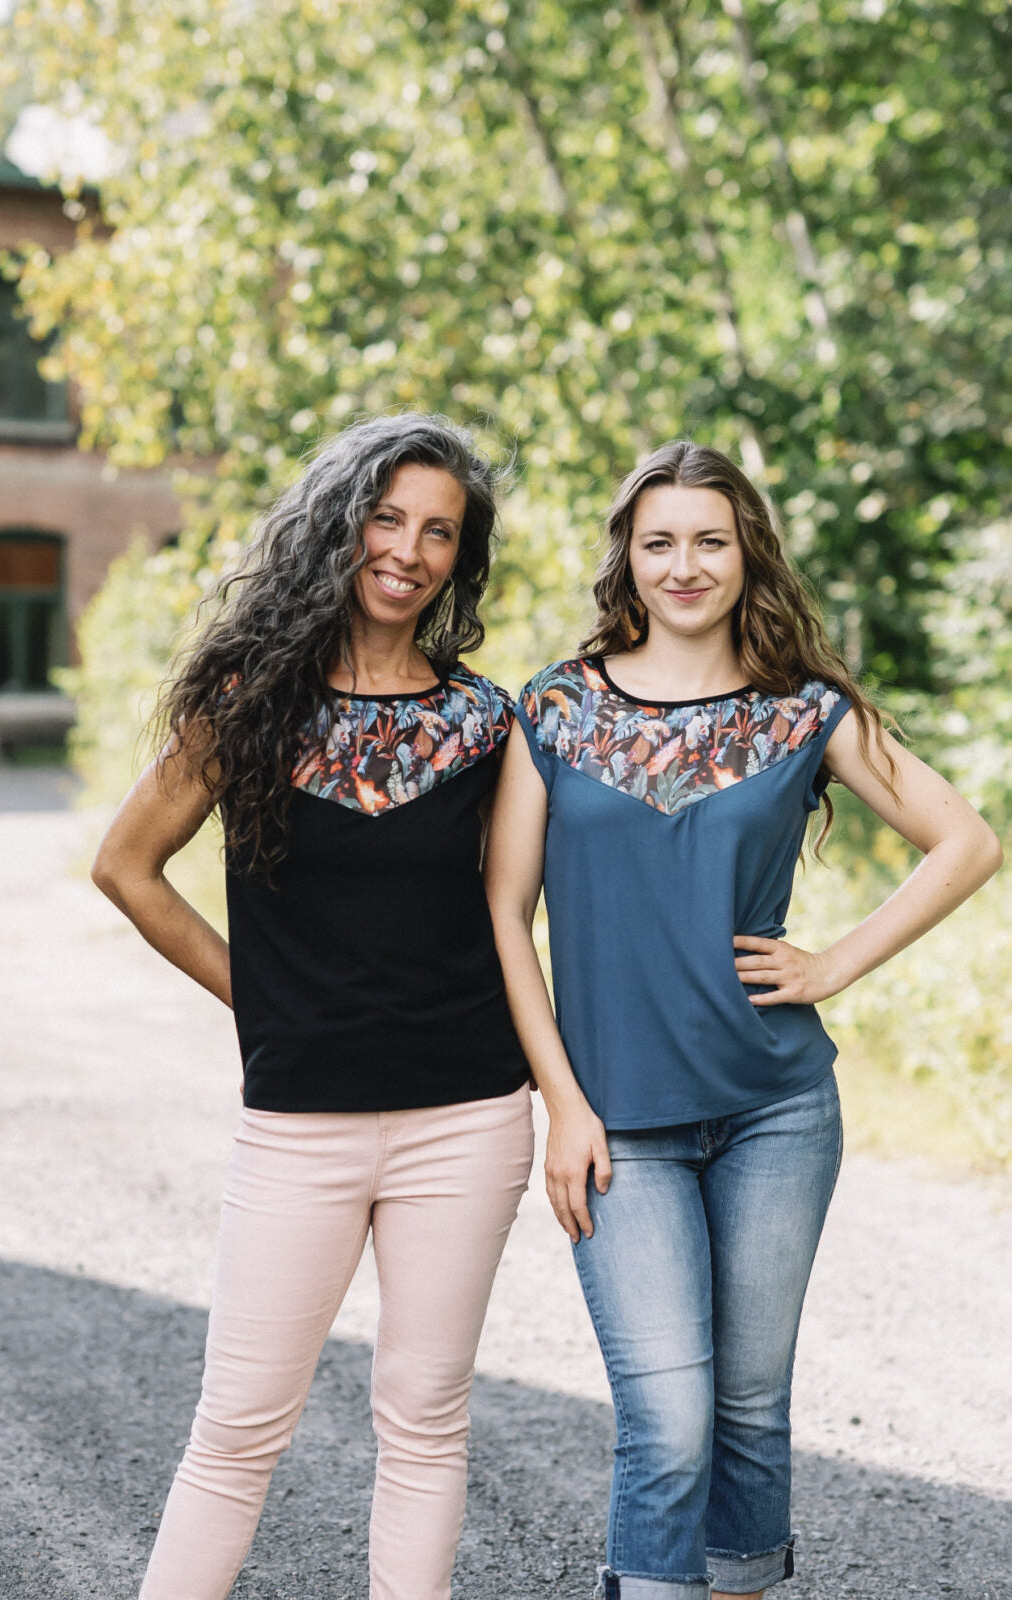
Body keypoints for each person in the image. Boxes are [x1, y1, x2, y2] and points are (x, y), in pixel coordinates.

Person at [484, 439, 1002, 1600]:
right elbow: (505, 916)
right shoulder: (554, 707)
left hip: (776, 1110)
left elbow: (965, 841)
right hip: (617, 1121)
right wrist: (562, 1103)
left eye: (708, 541)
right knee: (667, 1418)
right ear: (626, 556)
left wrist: (833, 964)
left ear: (746, 553)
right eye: (658, 541)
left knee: (749, 1411)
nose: (684, 565)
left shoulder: (803, 710)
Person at [91, 414, 533, 1600]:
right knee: (237, 1427)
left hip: (468, 1117)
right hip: (299, 1121)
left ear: (460, 557)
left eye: (439, 531)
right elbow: (127, 866)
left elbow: (519, 910)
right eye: (387, 518)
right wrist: (263, 998)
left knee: (424, 1420)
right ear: (340, 524)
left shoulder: (487, 723)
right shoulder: (248, 703)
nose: (408, 550)